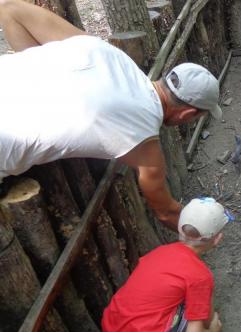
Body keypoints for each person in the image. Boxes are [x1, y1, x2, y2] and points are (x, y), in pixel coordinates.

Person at [0, 0, 222, 230]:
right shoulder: (144, 140)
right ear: (187, 113)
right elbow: (166, 213)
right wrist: (206, 230)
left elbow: (10, 9)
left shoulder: (104, 50)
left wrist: (39, 82)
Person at [102, 197, 231, 332]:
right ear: (217, 239)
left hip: (111, 326)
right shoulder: (200, 275)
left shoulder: (158, 252)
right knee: (201, 300)